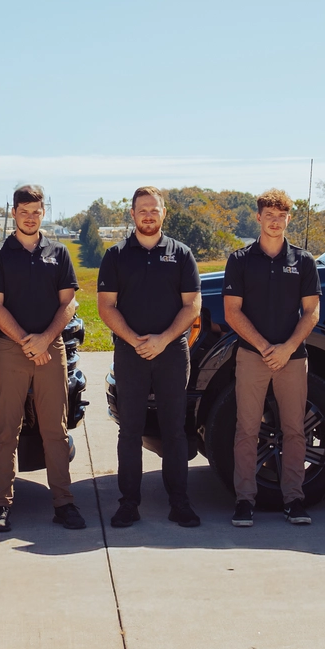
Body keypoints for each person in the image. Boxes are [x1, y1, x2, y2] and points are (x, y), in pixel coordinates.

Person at [0, 184, 84, 533]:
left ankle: (64, 503)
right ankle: (0, 504)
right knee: (5, 429)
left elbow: (68, 304)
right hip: (11, 349)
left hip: (51, 348)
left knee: (55, 429)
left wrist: (44, 340)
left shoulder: (59, 252)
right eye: (23, 212)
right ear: (13, 213)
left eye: (36, 212)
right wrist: (27, 342)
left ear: (43, 212)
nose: (29, 217)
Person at [97, 186, 203, 528]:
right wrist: (134, 340)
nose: (148, 215)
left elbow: (192, 305)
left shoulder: (181, 254)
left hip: (172, 353)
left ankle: (179, 503)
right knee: (130, 430)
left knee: (174, 430)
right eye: (142, 209)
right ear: (132, 214)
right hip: (130, 354)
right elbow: (106, 306)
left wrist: (163, 339)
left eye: (154, 209)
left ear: (163, 213)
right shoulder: (116, 256)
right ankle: (128, 504)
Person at [220, 189, 321, 526]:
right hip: (253, 356)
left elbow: (312, 312)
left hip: (293, 357)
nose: (275, 222)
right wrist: (265, 347)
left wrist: (287, 348)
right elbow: (232, 312)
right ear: (258, 217)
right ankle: (244, 501)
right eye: (269, 215)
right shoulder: (240, 260)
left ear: (288, 219)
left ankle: (294, 500)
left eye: (281, 216)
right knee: (247, 429)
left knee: (295, 430)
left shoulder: (303, 261)